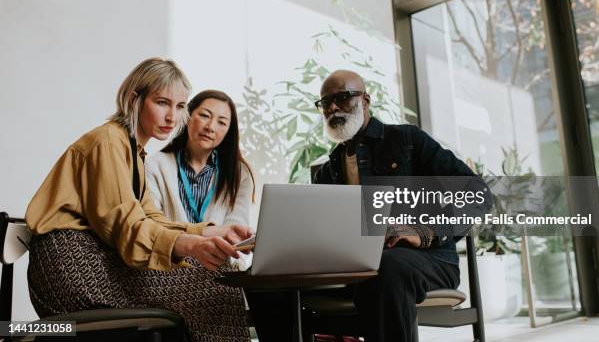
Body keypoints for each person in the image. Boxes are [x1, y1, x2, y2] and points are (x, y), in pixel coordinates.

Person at [247, 69, 490, 342]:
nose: (334, 107)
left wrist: (424, 232)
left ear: (365, 100)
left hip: (426, 261)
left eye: (343, 97)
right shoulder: (328, 171)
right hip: (354, 270)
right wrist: (279, 244)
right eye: (326, 103)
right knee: (264, 280)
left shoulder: (408, 140)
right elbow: (322, 232)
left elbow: (477, 193)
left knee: (384, 270)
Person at [25, 58, 252, 342]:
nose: (172, 117)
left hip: (92, 258)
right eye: (162, 103)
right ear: (135, 99)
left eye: (180, 106)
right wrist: (192, 245)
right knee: (212, 284)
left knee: (212, 276)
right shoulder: (108, 142)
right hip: (69, 268)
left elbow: (150, 219)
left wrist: (209, 231)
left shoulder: (132, 150)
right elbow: (129, 228)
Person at [146, 89, 255, 269]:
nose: (210, 127)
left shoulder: (240, 173)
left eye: (222, 122)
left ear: (229, 131)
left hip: (218, 268)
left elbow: (235, 236)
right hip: (170, 267)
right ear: (187, 116)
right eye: (204, 115)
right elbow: (153, 227)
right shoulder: (155, 165)